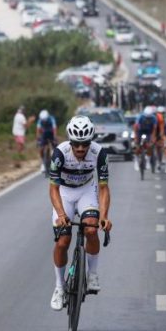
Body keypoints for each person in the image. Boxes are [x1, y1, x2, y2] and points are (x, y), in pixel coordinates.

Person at [49, 116, 113, 310]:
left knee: (92, 231)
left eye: (84, 144)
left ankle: (92, 274)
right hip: (64, 193)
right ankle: (59, 286)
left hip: (86, 191)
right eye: (76, 144)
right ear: (71, 141)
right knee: (63, 241)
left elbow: (103, 188)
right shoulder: (60, 153)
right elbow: (53, 189)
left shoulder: (99, 153)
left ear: (90, 141)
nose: (80, 149)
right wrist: (61, 215)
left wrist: (104, 216)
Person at [134, 106, 158, 171]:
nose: (147, 119)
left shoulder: (154, 118)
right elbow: (135, 127)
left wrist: (153, 137)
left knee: (150, 145)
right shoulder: (140, 117)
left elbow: (154, 129)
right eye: (146, 117)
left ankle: (148, 161)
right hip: (140, 131)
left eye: (149, 118)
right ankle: (136, 161)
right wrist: (136, 137)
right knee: (137, 146)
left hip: (149, 132)